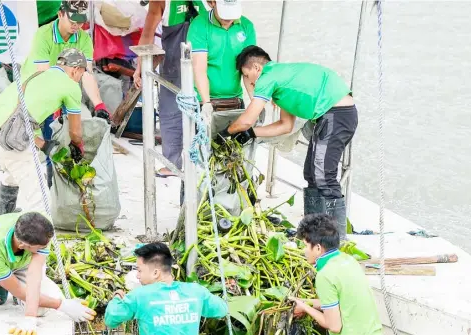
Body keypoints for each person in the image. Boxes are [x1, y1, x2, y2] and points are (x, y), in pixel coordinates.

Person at [223, 45, 357, 238]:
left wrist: (226, 132)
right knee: (311, 173)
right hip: (328, 116)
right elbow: (285, 125)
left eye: (246, 75)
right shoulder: (283, 79)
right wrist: (252, 133)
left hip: (337, 114)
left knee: (324, 177)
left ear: (256, 68)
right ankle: (314, 234)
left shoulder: (268, 76)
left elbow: (246, 119)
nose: (248, 83)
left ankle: (337, 241)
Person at [0, 48, 87, 217]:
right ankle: (46, 242)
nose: (81, 78)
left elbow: (17, 120)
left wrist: (44, 145)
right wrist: (78, 147)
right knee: (40, 198)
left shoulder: (34, 75)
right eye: (82, 73)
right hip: (7, 141)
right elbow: (75, 132)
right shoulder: (70, 86)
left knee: (12, 176)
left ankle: (2, 220)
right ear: (76, 70)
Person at [0, 212, 97, 335]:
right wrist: (60, 305)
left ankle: (3, 281)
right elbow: (18, 290)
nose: (46, 247)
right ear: (22, 245)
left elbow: (34, 275)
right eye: (41, 248)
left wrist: (31, 314)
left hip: (23, 264)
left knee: (41, 310)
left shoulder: (43, 230)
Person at [104, 242, 228, 335]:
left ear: (156, 272)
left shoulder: (140, 296)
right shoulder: (195, 292)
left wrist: (117, 296)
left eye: (139, 270)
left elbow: (111, 318)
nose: (138, 275)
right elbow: (222, 309)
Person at [23, 0, 110, 187]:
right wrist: (54, 106)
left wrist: (99, 104)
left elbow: (86, 73)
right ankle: (51, 193)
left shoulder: (83, 38)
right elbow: (43, 75)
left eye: (80, 21)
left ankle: (65, 193)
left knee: (66, 143)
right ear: (61, 13)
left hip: (63, 93)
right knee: (47, 146)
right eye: (72, 20)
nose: (76, 25)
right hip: (37, 92)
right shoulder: (43, 35)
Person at [290, 213, 385, 335]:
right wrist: (305, 301)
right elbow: (341, 301)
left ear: (318, 248)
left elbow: (334, 325)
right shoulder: (347, 260)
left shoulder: (325, 275)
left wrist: (305, 309)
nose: (304, 251)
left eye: (306, 246)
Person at [133, 0, 208, 180]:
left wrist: (140, 67)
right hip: (204, 65)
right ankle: (204, 161)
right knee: (201, 109)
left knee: (170, 111)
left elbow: (148, 33)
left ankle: (172, 163)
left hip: (178, 66)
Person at [187, 0, 256, 124]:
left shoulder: (246, 26)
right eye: (225, 12)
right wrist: (206, 103)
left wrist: (255, 101)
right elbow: (199, 69)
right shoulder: (199, 25)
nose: (229, 18)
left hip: (235, 99)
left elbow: (249, 70)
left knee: (236, 141)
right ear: (211, 3)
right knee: (205, 141)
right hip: (205, 99)